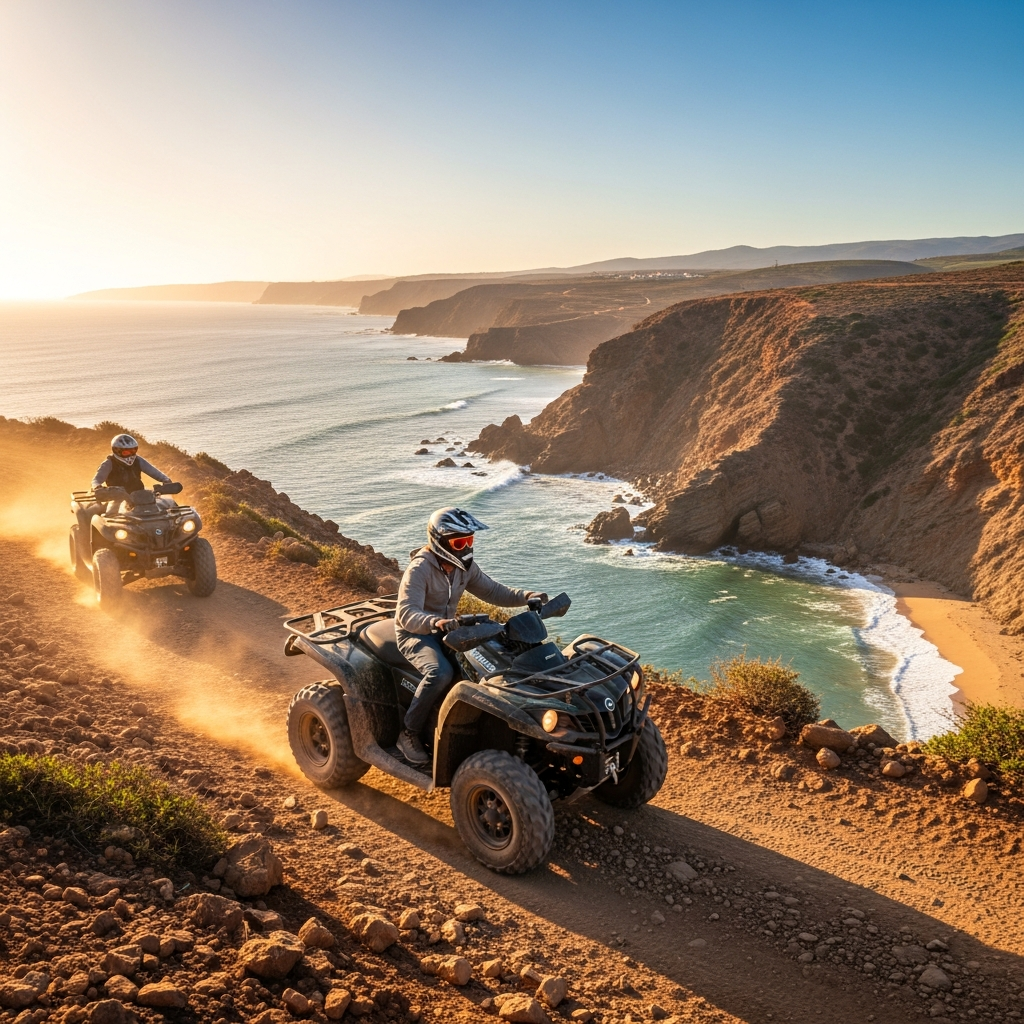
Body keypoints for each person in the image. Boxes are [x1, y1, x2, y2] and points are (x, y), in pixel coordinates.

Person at [394, 507, 547, 765]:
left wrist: (525, 596)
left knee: (488, 666)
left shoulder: (464, 569)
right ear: (439, 542)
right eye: (459, 542)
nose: (466, 548)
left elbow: (494, 591)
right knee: (439, 673)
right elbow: (406, 614)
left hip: (450, 630)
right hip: (416, 634)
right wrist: (434, 621)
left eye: (469, 541)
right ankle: (409, 733)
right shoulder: (419, 569)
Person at [76, 434, 173, 537]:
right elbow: (96, 480)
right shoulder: (109, 463)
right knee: (110, 519)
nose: (131, 455)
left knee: (165, 509)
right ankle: (109, 541)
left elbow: (154, 471)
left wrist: (165, 480)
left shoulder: (138, 460)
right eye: (126, 452)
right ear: (117, 451)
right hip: (116, 496)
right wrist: (97, 487)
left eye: (133, 451)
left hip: (139, 496)